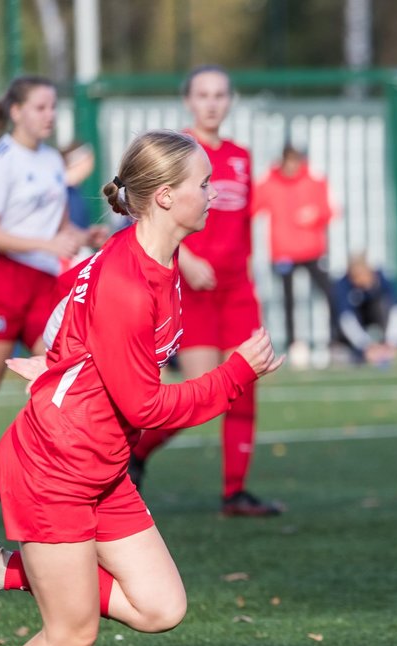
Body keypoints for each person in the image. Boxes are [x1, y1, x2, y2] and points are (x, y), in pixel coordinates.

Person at [0, 129, 283, 646]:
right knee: (71, 634)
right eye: (202, 184)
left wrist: (56, 361)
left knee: (160, 607)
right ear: (163, 198)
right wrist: (237, 373)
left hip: (98, 464)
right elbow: (147, 407)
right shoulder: (130, 280)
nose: (214, 194)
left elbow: (70, 302)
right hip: (54, 469)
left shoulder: (153, 258)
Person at [128, 65, 284, 517]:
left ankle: (234, 493)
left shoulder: (240, 155)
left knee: (245, 381)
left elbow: (244, 226)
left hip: (236, 289)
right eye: (203, 94)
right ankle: (136, 454)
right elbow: (145, 215)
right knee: (202, 393)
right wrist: (187, 260)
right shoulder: (175, 151)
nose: (212, 103)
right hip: (190, 289)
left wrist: (250, 278)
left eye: (220, 94)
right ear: (189, 101)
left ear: (230, 100)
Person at [0, 76, 96, 527]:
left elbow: (53, 228)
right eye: (40, 107)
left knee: (58, 379)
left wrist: (81, 236)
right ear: (16, 112)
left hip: (41, 283)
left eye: (53, 107)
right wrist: (45, 243)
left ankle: (54, 484)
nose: (49, 115)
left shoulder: (52, 159)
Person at [253, 143, 335, 367]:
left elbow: (329, 210)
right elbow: (252, 206)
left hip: (312, 250)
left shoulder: (314, 179)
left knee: (330, 292)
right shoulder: (270, 182)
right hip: (283, 252)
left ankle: (335, 341)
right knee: (288, 300)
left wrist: (315, 215)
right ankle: (293, 344)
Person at [331, 254, 397, 365]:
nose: (361, 279)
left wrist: (392, 342)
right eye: (356, 276)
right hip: (355, 335)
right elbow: (346, 319)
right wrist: (365, 346)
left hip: (380, 330)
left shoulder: (383, 279)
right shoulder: (343, 285)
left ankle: (384, 347)